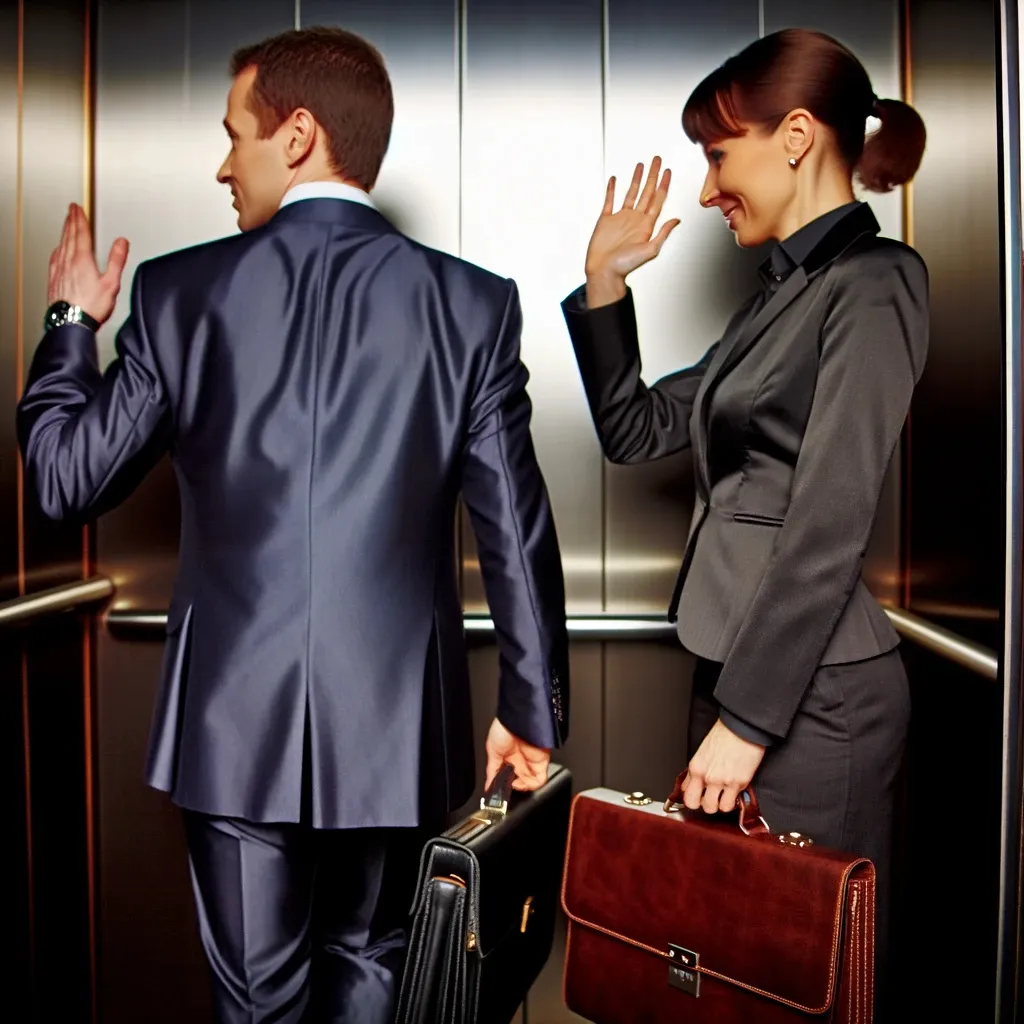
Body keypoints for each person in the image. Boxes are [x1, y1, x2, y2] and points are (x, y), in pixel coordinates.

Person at [18, 25, 569, 1024]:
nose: (222, 163)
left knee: (259, 1002)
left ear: (299, 133)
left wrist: (69, 327)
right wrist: (530, 705)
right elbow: (516, 530)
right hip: (396, 718)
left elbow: (65, 476)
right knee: (372, 963)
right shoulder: (470, 304)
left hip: (231, 721)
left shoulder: (181, 294)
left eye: (236, 133)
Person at [561, 27, 927, 1019]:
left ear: (798, 136)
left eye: (720, 155)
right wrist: (605, 287)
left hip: (811, 701)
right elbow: (637, 431)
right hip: (743, 675)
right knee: (732, 966)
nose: (708, 185)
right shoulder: (783, 296)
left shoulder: (875, 282)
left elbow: (829, 519)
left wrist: (749, 722)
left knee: (804, 972)